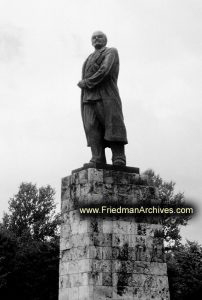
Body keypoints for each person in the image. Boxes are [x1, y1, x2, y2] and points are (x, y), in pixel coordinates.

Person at [77, 31, 128, 166]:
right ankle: (97, 157)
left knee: (111, 125)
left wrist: (87, 82)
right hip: (88, 98)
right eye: (93, 37)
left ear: (105, 40)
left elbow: (104, 70)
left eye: (99, 36)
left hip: (106, 96)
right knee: (91, 127)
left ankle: (118, 157)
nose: (96, 39)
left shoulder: (111, 52)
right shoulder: (88, 58)